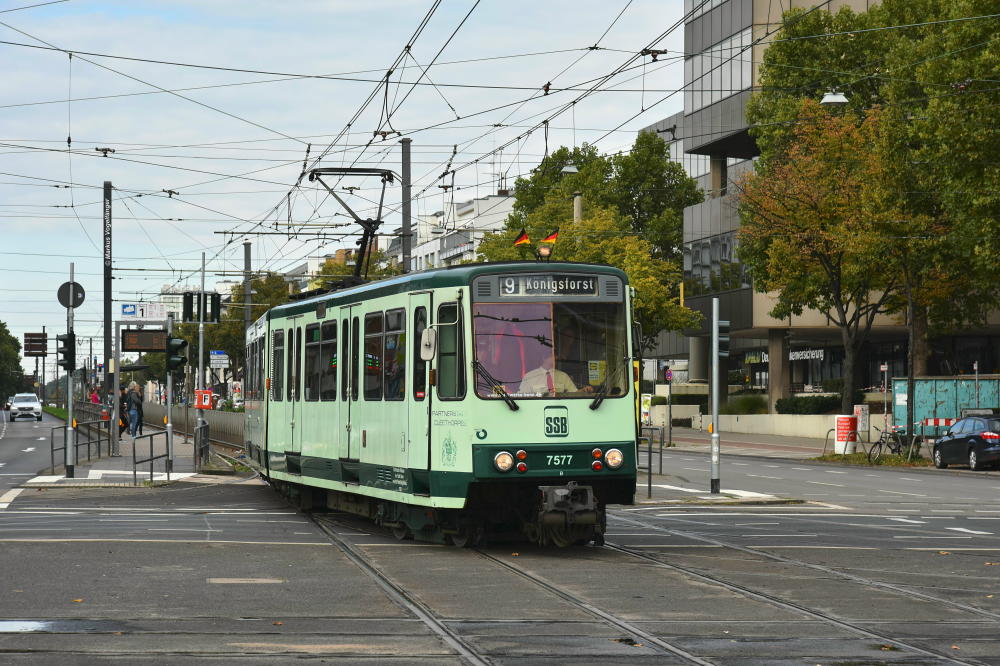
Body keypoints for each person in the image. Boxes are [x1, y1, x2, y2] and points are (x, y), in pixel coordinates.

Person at [518, 355, 593, 396]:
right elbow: (521, 397)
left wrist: (583, 390)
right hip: (536, 413)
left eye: (556, 355)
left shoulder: (563, 376)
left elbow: (573, 394)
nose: (556, 358)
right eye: (553, 355)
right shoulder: (530, 376)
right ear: (544, 358)